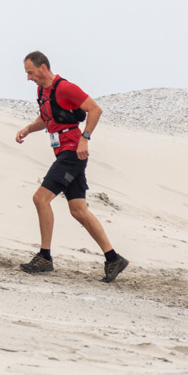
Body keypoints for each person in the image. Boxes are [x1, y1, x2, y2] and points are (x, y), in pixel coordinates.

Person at [15, 51, 129, 281]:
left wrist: (85, 137)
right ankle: (113, 258)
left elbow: (95, 109)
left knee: (40, 199)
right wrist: (28, 129)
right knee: (78, 210)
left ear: (43, 67)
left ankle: (44, 257)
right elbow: (46, 119)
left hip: (72, 153)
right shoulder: (42, 91)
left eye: (31, 72)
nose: (28, 78)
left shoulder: (65, 88)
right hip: (64, 153)